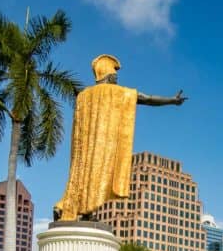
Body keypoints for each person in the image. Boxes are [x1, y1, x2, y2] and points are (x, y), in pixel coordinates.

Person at [54, 54, 187, 221]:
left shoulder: (84, 95)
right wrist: (171, 101)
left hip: (84, 149)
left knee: (82, 174)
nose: (116, 79)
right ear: (108, 76)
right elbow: (147, 99)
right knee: (99, 174)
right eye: (115, 76)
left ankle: (69, 207)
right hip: (104, 145)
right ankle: (85, 210)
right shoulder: (118, 92)